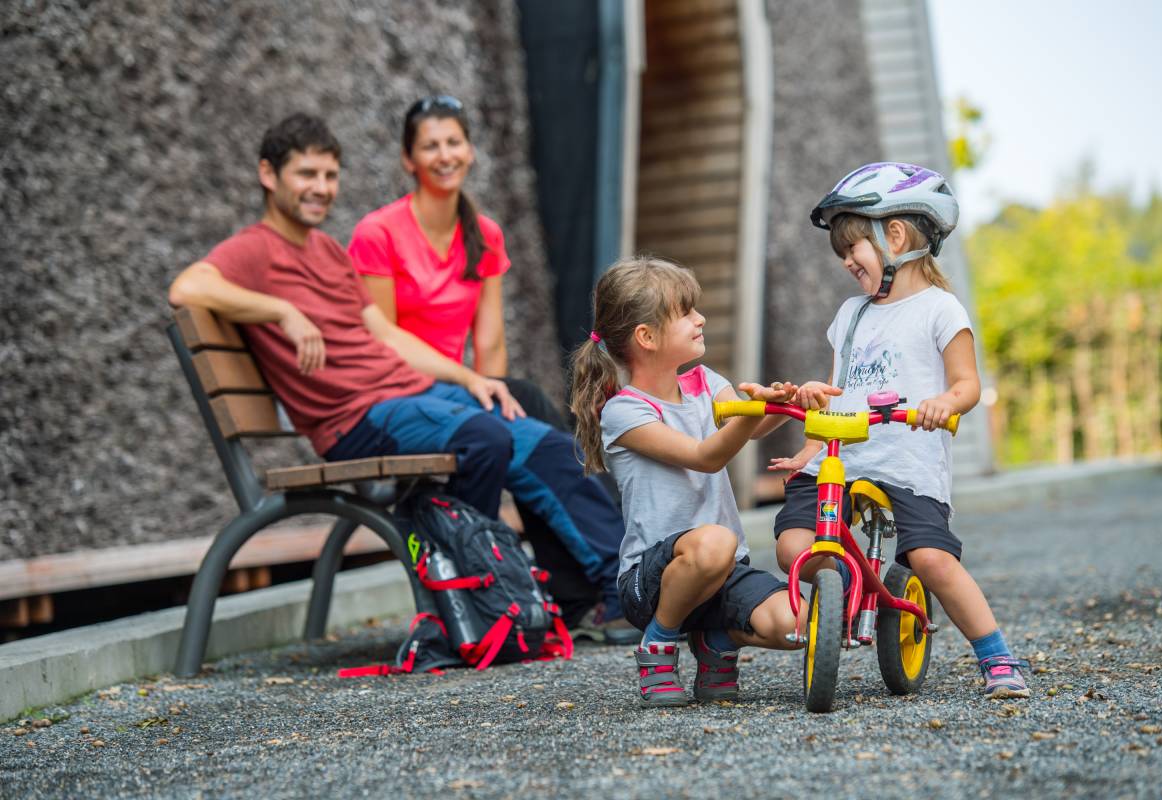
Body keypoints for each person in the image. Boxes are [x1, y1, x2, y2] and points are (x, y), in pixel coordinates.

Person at [167, 113, 629, 641]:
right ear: (269, 175)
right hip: (358, 418)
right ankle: (483, 595)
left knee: (539, 439)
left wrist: (468, 378)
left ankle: (624, 589)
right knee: (487, 438)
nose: (321, 189)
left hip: (410, 396)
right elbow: (187, 287)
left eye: (329, 176)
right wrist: (281, 312)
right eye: (306, 175)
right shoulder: (253, 249)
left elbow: (384, 334)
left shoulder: (327, 252)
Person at [345, 95, 635, 644]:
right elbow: (381, 338)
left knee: (528, 407)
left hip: (459, 389)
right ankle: (603, 585)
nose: (444, 154)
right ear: (409, 160)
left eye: (454, 142)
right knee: (541, 435)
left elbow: (490, 340)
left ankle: (592, 589)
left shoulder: (484, 233)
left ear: (470, 151)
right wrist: (476, 390)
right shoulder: (378, 233)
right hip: (408, 395)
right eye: (430, 145)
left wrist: (492, 392)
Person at [771, 162, 1031, 699]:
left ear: (895, 236)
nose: (846, 261)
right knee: (794, 543)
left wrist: (943, 403)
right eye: (840, 251)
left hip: (906, 458)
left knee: (932, 560)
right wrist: (811, 442)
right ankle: (839, 598)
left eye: (853, 248)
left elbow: (968, 385)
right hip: (843, 456)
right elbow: (838, 390)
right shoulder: (850, 315)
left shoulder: (939, 309)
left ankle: (997, 657)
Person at [570, 256, 840, 706]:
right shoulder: (624, 411)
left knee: (797, 626)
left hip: (723, 570)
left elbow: (745, 431)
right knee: (713, 542)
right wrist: (753, 411)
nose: (701, 319)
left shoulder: (705, 382)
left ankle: (716, 641)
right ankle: (658, 643)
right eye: (686, 313)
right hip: (653, 581)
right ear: (647, 337)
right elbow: (705, 456)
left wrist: (784, 403)